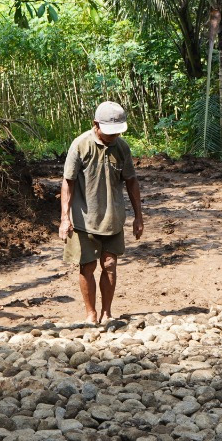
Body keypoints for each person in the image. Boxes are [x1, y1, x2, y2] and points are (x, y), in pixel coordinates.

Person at [61, 101, 144, 324]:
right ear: (95, 124)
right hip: (84, 220)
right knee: (87, 266)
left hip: (113, 219)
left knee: (109, 265)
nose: (113, 136)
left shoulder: (122, 147)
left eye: (117, 132)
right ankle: (91, 313)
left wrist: (139, 216)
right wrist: (64, 217)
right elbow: (67, 182)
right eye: (110, 132)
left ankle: (107, 312)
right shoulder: (80, 145)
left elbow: (131, 181)